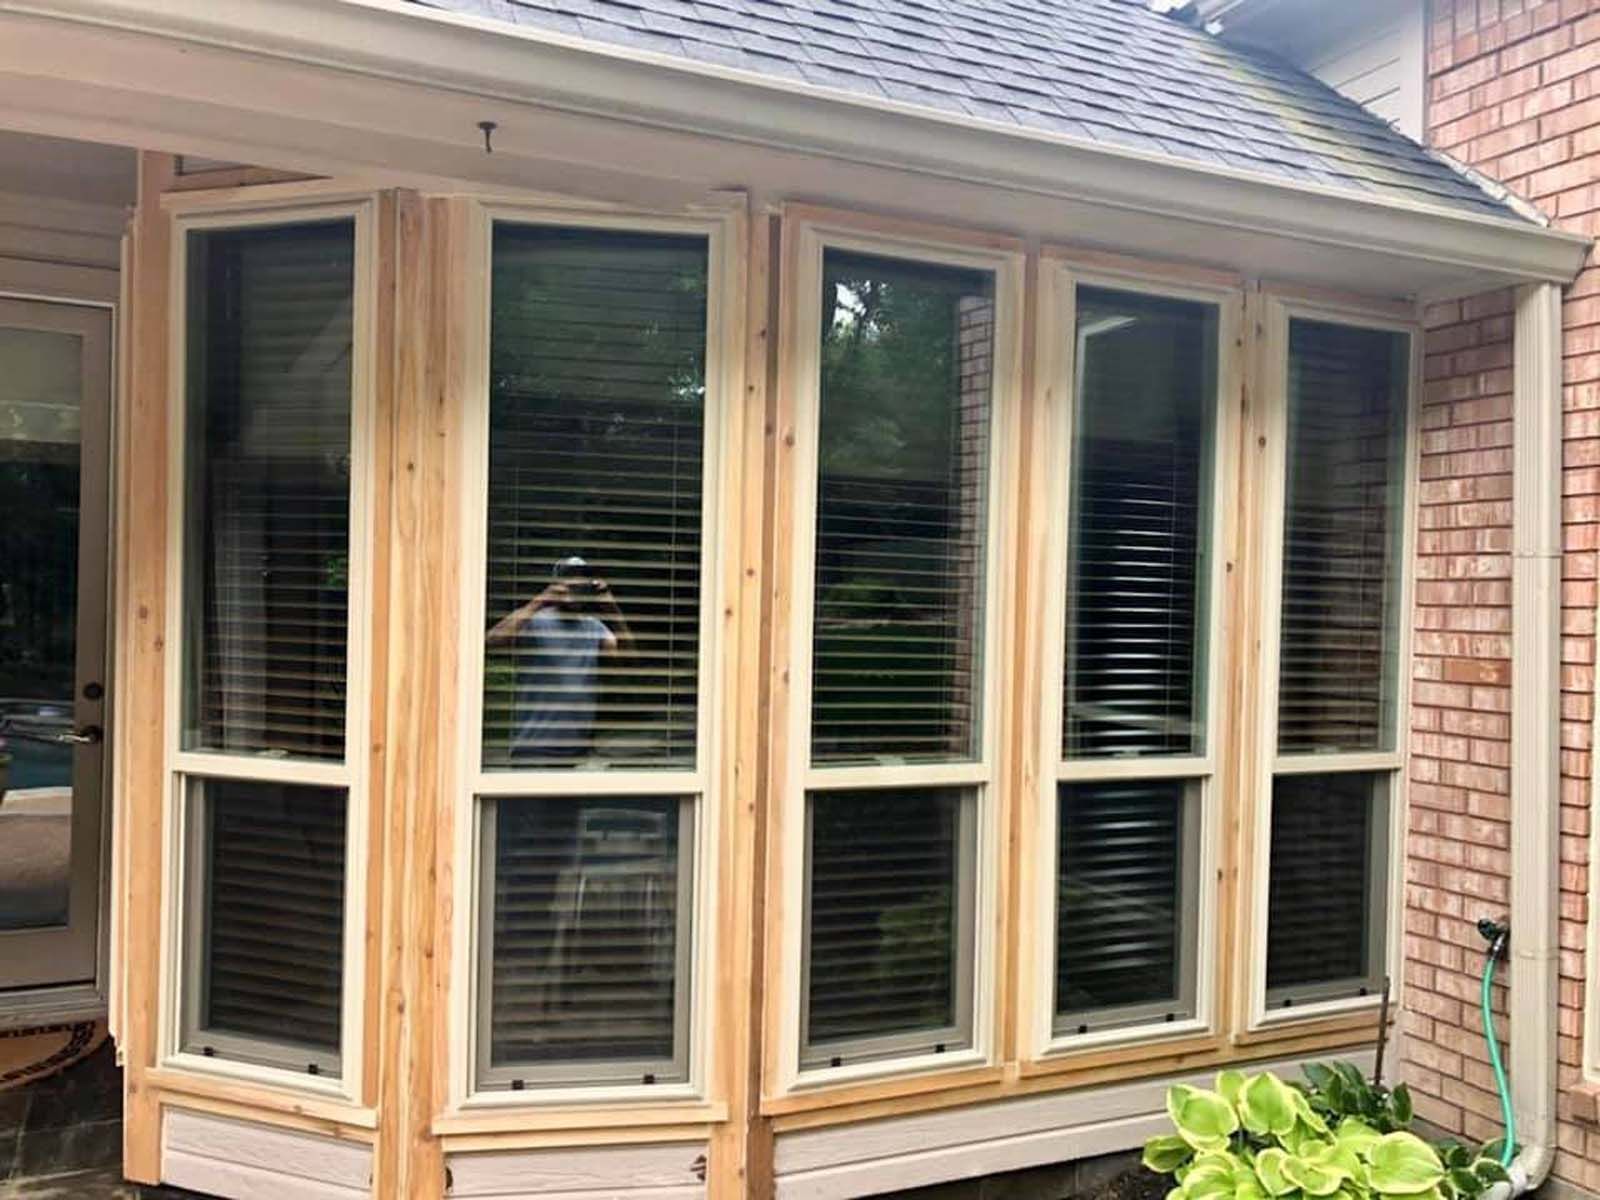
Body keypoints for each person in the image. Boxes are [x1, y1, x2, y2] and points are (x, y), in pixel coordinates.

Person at [486, 556, 634, 762]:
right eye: (570, 577)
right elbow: (492, 641)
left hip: (578, 752)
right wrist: (540, 600)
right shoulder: (532, 620)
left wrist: (613, 609)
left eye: (582, 578)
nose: (576, 583)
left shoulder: (595, 627)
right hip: (533, 748)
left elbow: (627, 661)